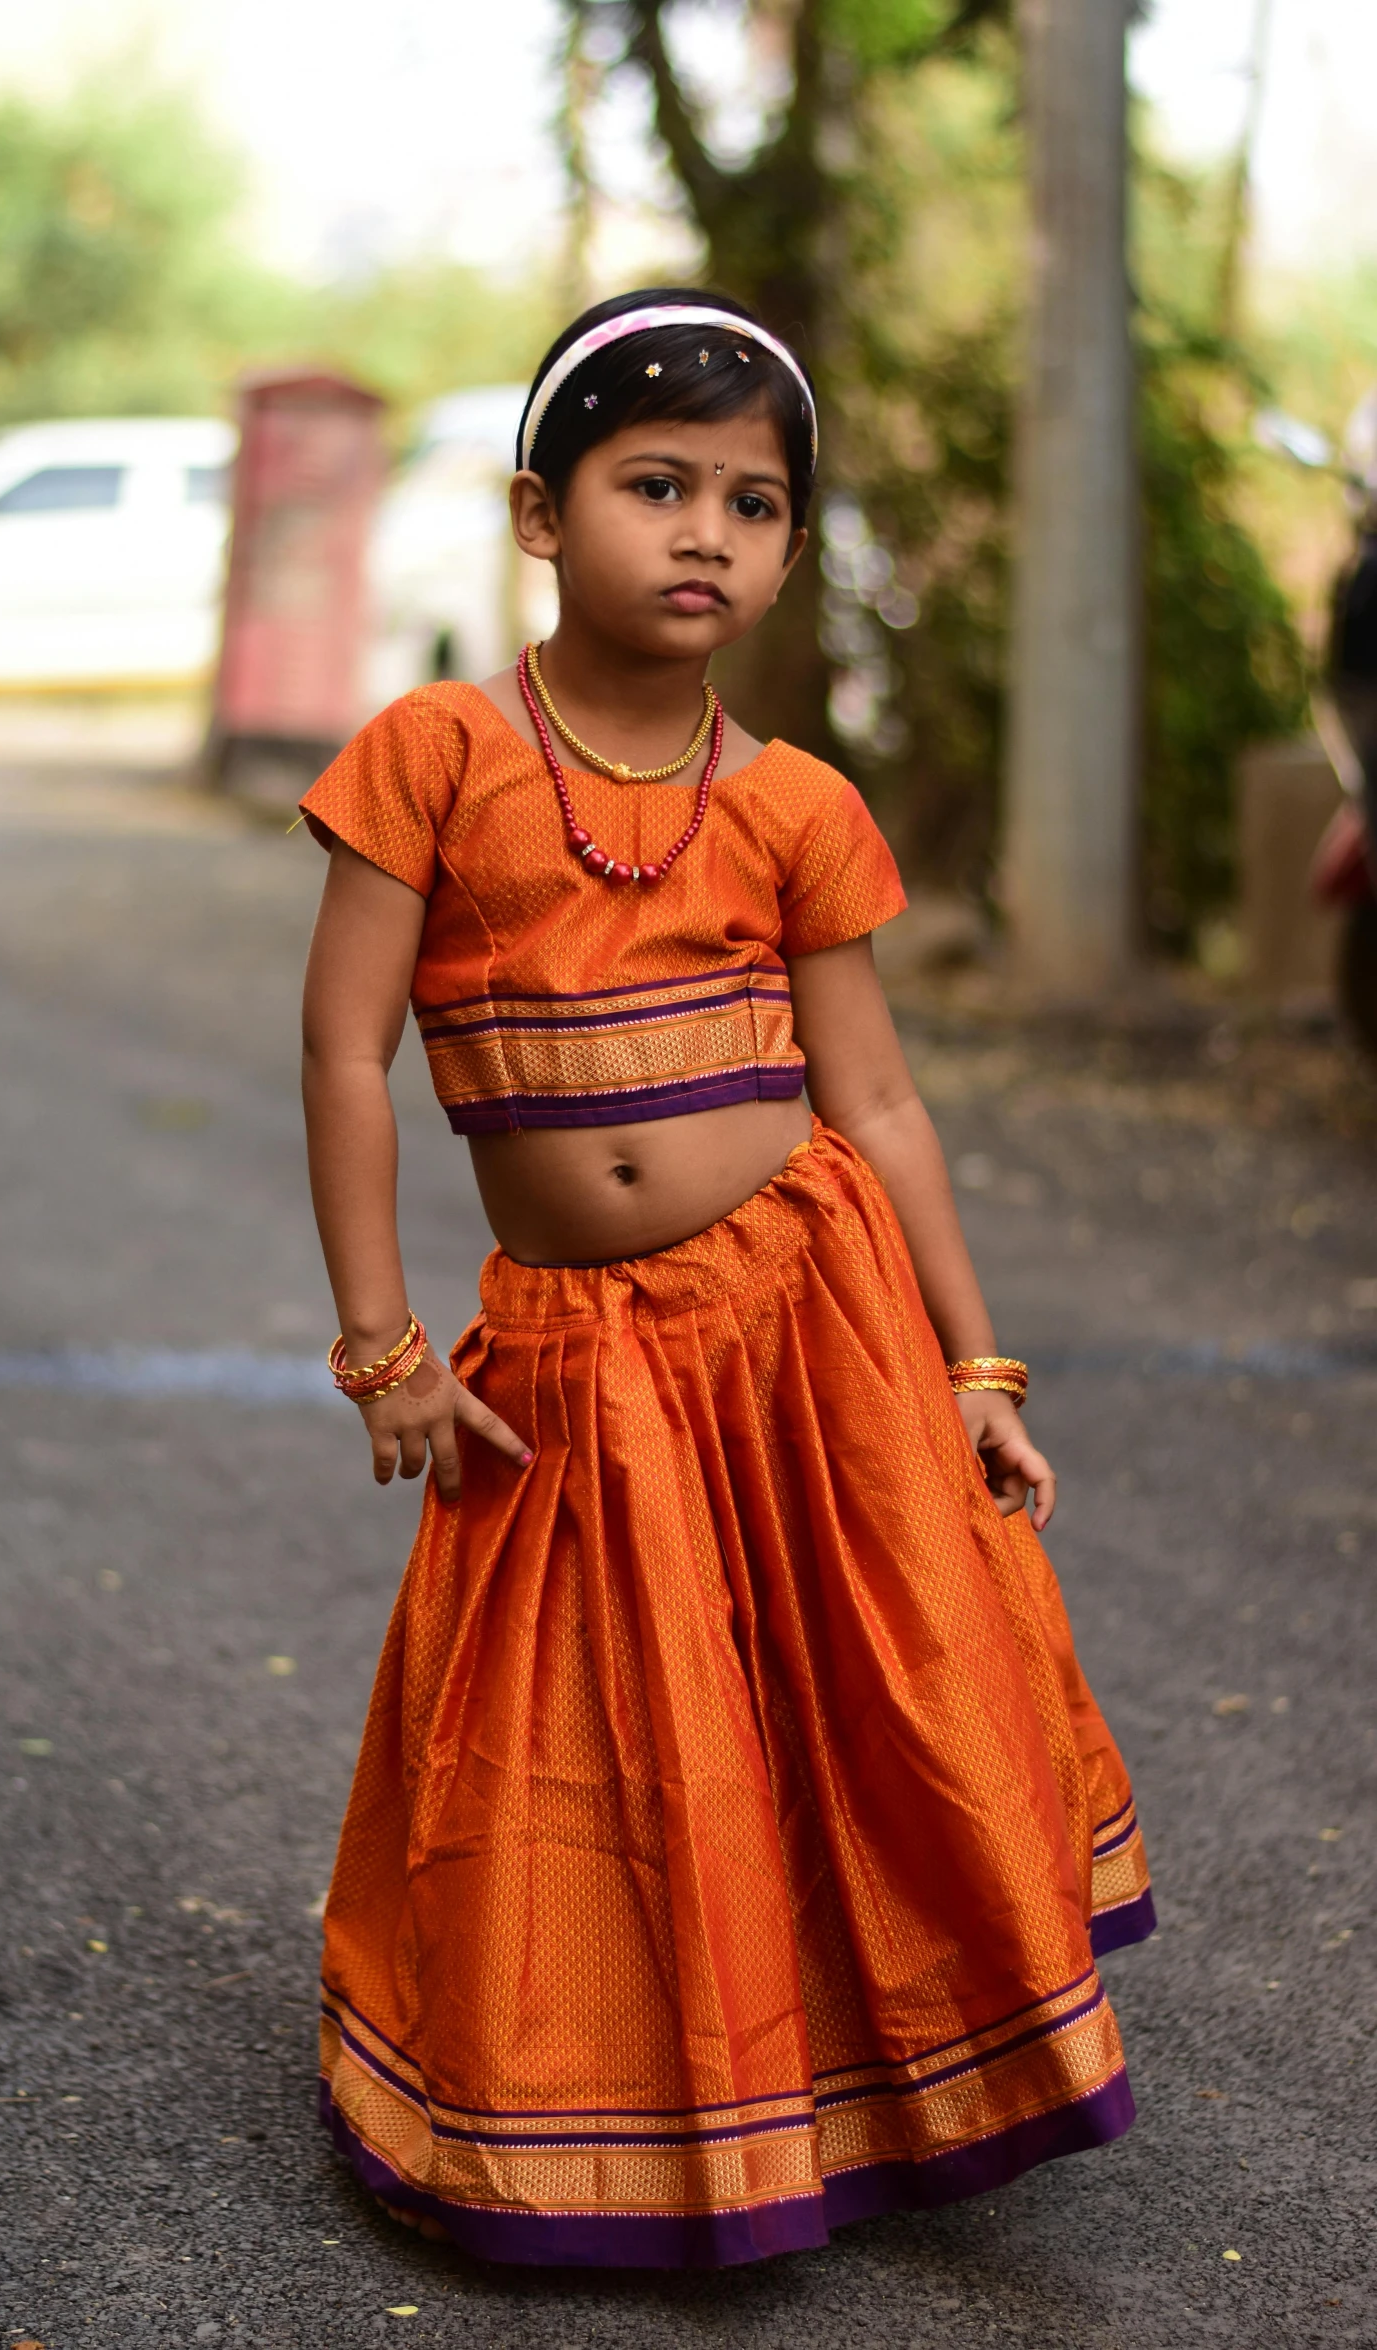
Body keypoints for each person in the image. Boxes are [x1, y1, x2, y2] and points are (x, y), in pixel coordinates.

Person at [297, 288, 1154, 2270]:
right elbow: (344, 1051)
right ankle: (595, 2106)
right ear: (538, 512)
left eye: (754, 504)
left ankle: (850, 2082)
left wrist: (974, 1359)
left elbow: (875, 1096)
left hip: (805, 1313)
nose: (705, 534)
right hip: (579, 1348)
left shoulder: (791, 802)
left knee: (851, 1695)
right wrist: (385, 1347)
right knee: (593, 1724)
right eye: (653, 484)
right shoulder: (429, 755)